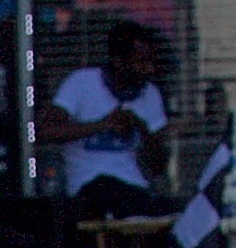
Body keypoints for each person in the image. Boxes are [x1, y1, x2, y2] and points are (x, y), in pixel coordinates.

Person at [40, 18, 168, 210]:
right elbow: (45, 131)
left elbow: (158, 167)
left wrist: (141, 128)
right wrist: (103, 125)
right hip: (87, 189)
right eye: (140, 63)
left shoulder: (150, 93)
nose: (148, 69)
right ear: (118, 62)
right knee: (105, 190)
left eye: (151, 62)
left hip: (134, 188)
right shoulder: (81, 83)